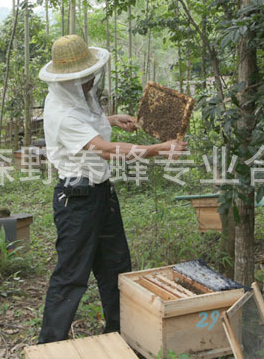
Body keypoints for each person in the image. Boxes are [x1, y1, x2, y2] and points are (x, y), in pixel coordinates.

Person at [37, 35, 187, 343]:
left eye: (89, 73)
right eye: (83, 77)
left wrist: (111, 119)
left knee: (117, 268)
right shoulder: (61, 113)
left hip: (101, 193)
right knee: (71, 275)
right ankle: (48, 345)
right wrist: (158, 149)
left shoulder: (73, 96)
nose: (90, 80)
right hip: (76, 200)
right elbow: (104, 150)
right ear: (67, 79)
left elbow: (86, 118)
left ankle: (120, 334)